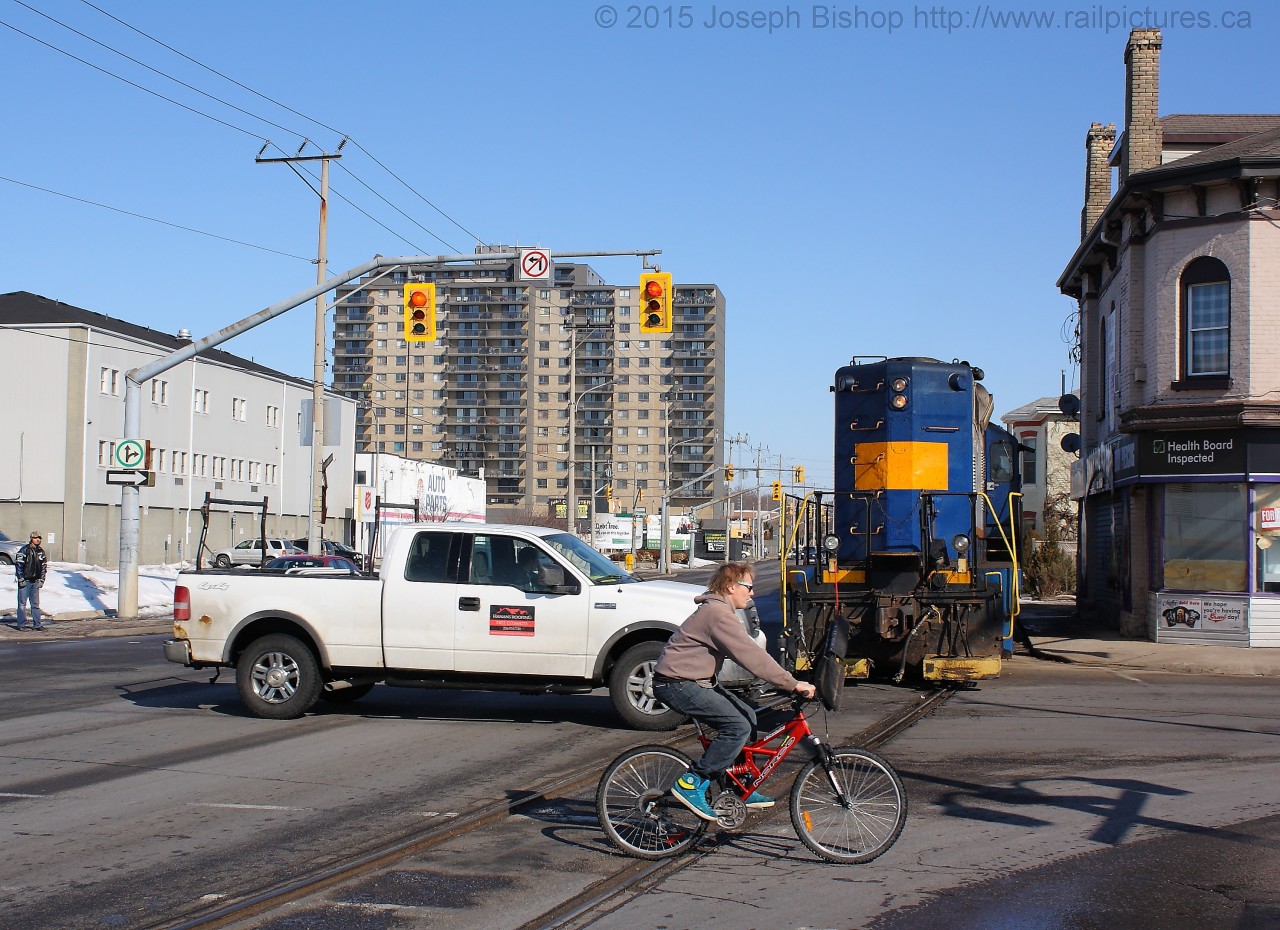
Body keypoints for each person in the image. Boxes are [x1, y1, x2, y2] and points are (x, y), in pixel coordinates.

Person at [652, 562, 816, 821]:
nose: (752, 593)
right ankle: (692, 781)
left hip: (696, 680)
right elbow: (749, 655)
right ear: (731, 587)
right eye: (748, 587)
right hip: (676, 683)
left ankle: (738, 787)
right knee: (736, 726)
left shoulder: (720, 610)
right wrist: (791, 683)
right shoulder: (717, 614)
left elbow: (747, 654)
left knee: (747, 717)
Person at [15, 532, 48, 631]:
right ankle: (21, 625)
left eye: (39, 538)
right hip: (25, 581)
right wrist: (20, 578)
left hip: (35, 581)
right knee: (22, 604)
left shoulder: (41, 551)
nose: (38, 539)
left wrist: (42, 579)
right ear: (31, 538)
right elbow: (19, 565)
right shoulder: (24, 550)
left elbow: (43, 567)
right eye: (36, 538)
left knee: (35, 605)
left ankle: (37, 624)